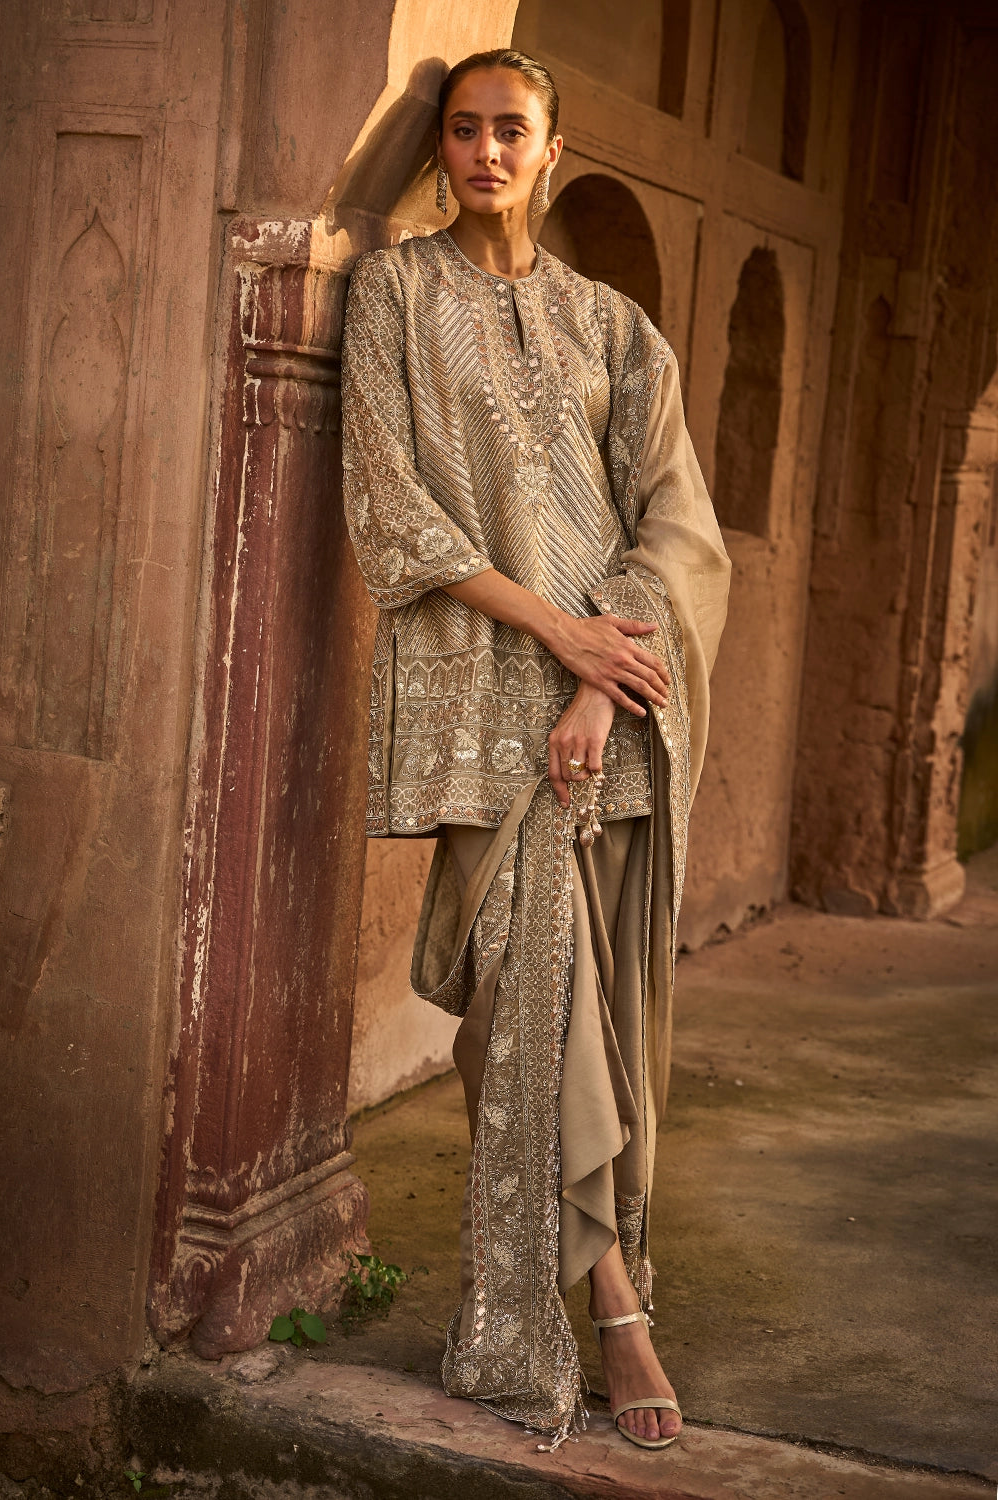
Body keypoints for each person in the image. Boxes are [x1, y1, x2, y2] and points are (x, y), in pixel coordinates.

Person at [340, 48, 730, 1452]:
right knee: (522, 999)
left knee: (593, 1003)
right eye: (465, 129)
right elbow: (395, 509)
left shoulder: (615, 330)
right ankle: (605, 1312)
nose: (487, 149)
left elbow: (676, 527)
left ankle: (572, 1294)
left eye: (514, 129)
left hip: (604, 716)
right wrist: (555, 639)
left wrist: (601, 667)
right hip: (474, 699)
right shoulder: (395, 295)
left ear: (552, 149)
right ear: (440, 149)